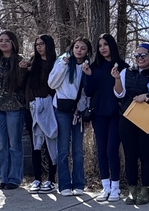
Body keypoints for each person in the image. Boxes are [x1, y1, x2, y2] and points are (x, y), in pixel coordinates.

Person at [115, 42, 149, 204]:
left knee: (146, 156)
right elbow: (119, 94)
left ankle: (145, 190)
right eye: (137, 55)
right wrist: (117, 78)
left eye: (143, 55)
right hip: (127, 118)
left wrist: (147, 97)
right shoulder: (126, 72)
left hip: (148, 120)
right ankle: (132, 191)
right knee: (130, 155)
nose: (139, 58)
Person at [48, 37, 92, 196]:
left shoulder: (88, 66)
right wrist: (63, 65)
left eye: (83, 48)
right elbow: (52, 84)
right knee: (63, 148)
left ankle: (79, 183)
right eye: (77, 47)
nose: (79, 50)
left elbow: (89, 92)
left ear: (87, 51)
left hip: (79, 111)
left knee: (78, 149)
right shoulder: (62, 62)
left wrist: (86, 112)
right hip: (62, 109)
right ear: (72, 48)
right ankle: (64, 184)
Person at [0, 30, 27, 190]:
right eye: (0, 40)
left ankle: (14, 178)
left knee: (14, 144)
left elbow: (22, 85)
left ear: (13, 43)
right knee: (2, 144)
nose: (3, 43)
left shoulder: (20, 61)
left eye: (7, 40)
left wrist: (23, 70)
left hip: (14, 107)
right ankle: (3, 177)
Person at [84, 33, 124, 201]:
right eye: (100, 45)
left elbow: (124, 93)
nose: (103, 48)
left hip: (116, 114)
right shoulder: (94, 67)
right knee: (101, 150)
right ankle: (105, 187)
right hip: (99, 113)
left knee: (111, 149)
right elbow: (88, 91)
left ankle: (116, 187)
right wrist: (87, 75)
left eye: (106, 44)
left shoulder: (122, 66)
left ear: (111, 46)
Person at [25, 35, 58, 193]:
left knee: (52, 141)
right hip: (33, 106)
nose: (39, 47)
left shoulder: (56, 63)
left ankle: (51, 180)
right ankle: (37, 179)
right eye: (36, 44)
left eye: (42, 44)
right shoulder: (32, 63)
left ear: (48, 45)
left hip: (50, 105)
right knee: (36, 144)